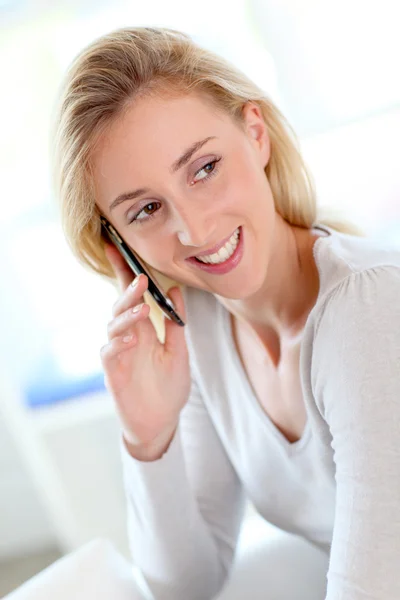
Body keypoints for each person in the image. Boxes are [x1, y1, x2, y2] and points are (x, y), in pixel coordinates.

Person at [53, 27, 400, 600]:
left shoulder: (368, 309)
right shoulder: (207, 328)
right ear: (120, 244)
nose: (194, 228)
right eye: (146, 209)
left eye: (204, 168)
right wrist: (149, 437)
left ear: (256, 134)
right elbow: (184, 585)